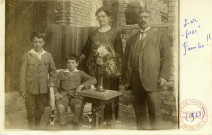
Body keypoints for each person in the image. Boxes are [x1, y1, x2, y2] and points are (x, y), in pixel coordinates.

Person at [122, 8, 172, 130]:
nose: (143, 19)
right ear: (138, 20)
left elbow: (167, 58)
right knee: (140, 115)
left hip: (153, 81)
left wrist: (164, 76)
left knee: (155, 114)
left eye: (146, 17)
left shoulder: (160, 36)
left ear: (151, 19)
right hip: (135, 83)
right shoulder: (131, 39)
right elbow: (125, 61)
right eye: (141, 17)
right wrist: (126, 80)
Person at [80, 7, 123, 128]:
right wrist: (80, 59)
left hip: (110, 70)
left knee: (109, 94)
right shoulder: (93, 33)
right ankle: (97, 119)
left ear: (108, 17)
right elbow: (86, 50)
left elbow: (119, 53)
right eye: (98, 17)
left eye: (103, 16)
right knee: (97, 94)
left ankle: (109, 121)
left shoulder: (115, 32)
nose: (101, 19)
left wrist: (108, 56)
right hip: (96, 69)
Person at [19, 32, 57, 129]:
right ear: (32, 42)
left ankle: (37, 129)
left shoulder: (48, 55)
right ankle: (31, 130)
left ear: (44, 42)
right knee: (30, 111)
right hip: (30, 89)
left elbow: (53, 71)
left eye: (40, 42)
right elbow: (22, 74)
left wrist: (52, 81)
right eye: (35, 42)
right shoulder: (27, 55)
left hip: (43, 89)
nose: (37, 44)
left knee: (40, 111)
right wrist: (22, 89)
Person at [54, 54, 97, 129]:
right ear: (66, 64)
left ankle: (75, 126)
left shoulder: (80, 73)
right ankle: (63, 126)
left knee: (78, 106)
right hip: (63, 95)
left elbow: (93, 80)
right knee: (60, 106)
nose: (70, 65)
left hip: (76, 95)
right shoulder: (61, 73)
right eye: (69, 63)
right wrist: (56, 94)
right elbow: (55, 85)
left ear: (77, 64)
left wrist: (81, 86)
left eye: (73, 62)